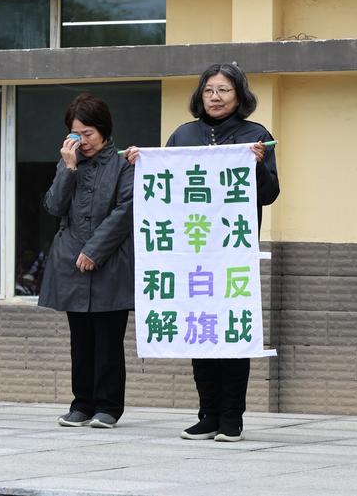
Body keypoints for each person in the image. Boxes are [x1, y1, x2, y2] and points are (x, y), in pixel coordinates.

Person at [125, 62, 280, 442]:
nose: (215, 96)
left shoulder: (255, 136)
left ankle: (232, 417)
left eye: (224, 90)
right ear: (200, 95)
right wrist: (140, 164)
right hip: (189, 251)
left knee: (230, 330)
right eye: (209, 89)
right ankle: (207, 413)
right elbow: (164, 183)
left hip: (230, 252)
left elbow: (270, 193)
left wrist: (257, 167)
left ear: (240, 96)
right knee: (199, 330)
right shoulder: (183, 135)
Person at [38, 93, 134, 429]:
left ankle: (108, 406)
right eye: (76, 134)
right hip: (70, 263)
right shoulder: (69, 161)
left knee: (108, 338)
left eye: (88, 134)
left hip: (110, 262)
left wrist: (94, 251)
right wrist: (68, 167)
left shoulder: (124, 163)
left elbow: (126, 211)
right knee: (80, 340)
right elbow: (53, 206)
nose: (83, 141)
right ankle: (81, 403)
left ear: (104, 131)